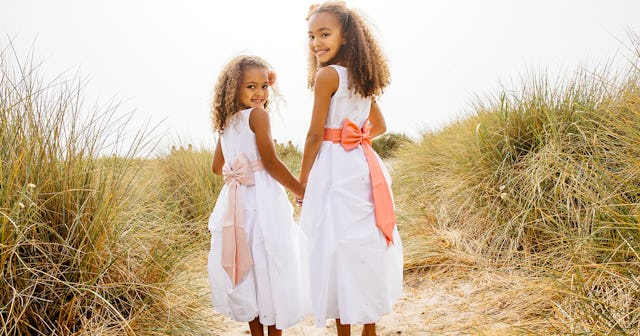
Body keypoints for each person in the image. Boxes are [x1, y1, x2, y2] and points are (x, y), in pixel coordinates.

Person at [298, 2, 404, 336]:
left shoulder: (327, 76)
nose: (317, 42)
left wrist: (302, 182)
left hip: (334, 167)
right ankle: (369, 327)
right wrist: (357, 138)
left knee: (336, 244)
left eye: (325, 34)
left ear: (346, 37)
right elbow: (380, 126)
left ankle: (345, 329)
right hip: (361, 163)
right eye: (312, 35)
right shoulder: (361, 77)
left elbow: (315, 134)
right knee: (363, 243)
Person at [207, 55, 309, 336]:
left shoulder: (226, 122)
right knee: (270, 262)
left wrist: (238, 170)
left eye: (264, 86)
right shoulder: (258, 115)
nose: (260, 93)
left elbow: (217, 167)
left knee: (247, 266)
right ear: (233, 88)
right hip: (262, 201)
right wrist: (302, 191)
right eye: (250, 87)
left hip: (236, 203)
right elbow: (273, 163)